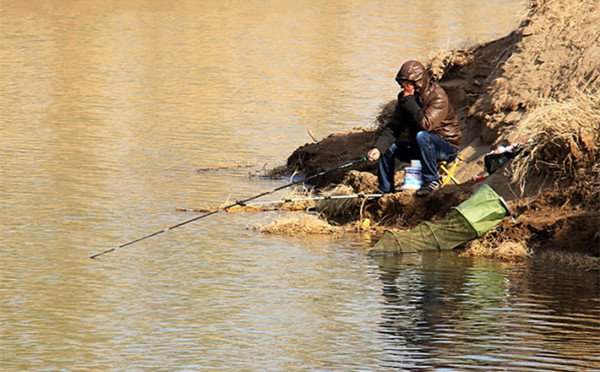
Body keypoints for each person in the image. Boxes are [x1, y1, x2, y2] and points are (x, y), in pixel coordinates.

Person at [367, 60, 461, 197]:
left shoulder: (438, 97)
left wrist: (409, 100)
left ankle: (432, 181)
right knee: (388, 148)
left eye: (407, 83)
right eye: (402, 84)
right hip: (420, 146)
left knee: (422, 135)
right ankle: (385, 188)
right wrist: (378, 148)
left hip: (446, 147)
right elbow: (394, 127)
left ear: (419, 82)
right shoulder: (405, 98)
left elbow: (426, 124)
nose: (404, 87)